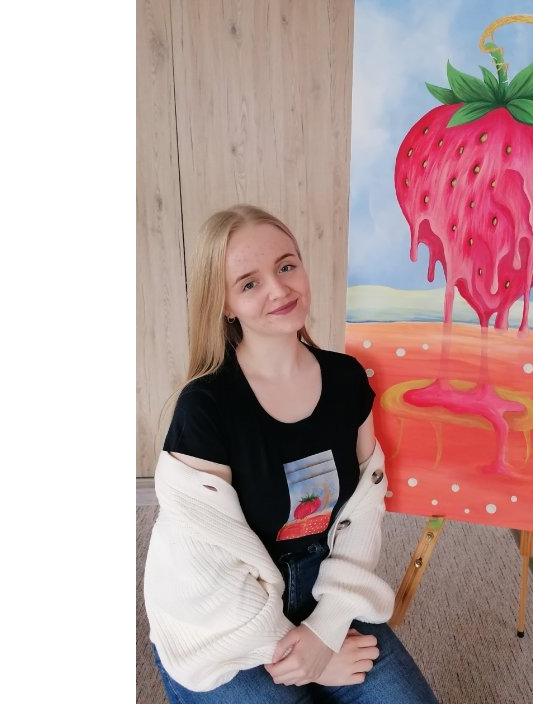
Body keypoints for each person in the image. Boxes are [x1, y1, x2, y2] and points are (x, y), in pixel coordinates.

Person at [143, 204, 439, 704]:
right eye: (249, 283)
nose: (279, 289)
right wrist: (304, 655)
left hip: (320, 589)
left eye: (286, 266)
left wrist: (325, 630)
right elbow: (207, 571)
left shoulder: (347, 378)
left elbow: (363, 511)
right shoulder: (204, 407)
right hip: (223, 623)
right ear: (225, 304)